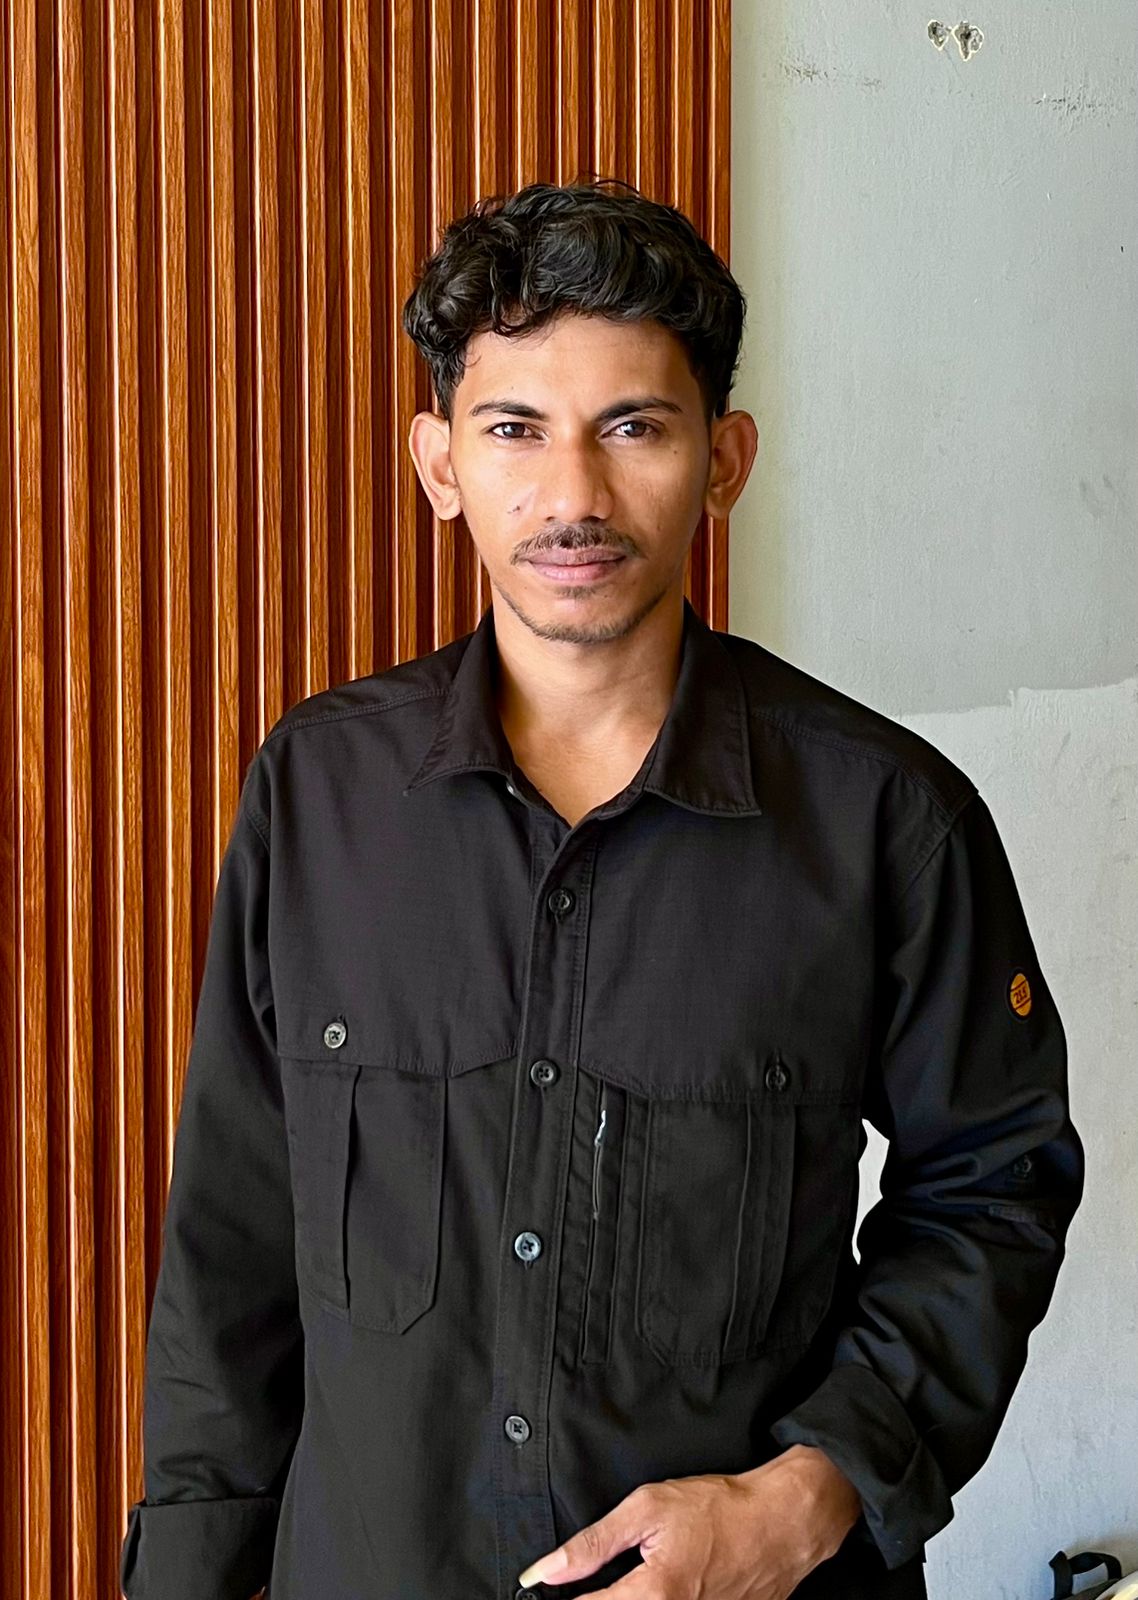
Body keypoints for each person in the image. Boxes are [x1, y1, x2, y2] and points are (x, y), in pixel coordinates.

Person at [119, 179, 1084, 1600]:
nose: (572, 497)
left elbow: (994, 1186)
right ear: (440, 462)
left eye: (634, 427)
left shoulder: (887, 817)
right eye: (515, 430)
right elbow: (231, 1245)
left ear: (724, 460)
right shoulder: (318, 795)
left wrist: (806, 1495)